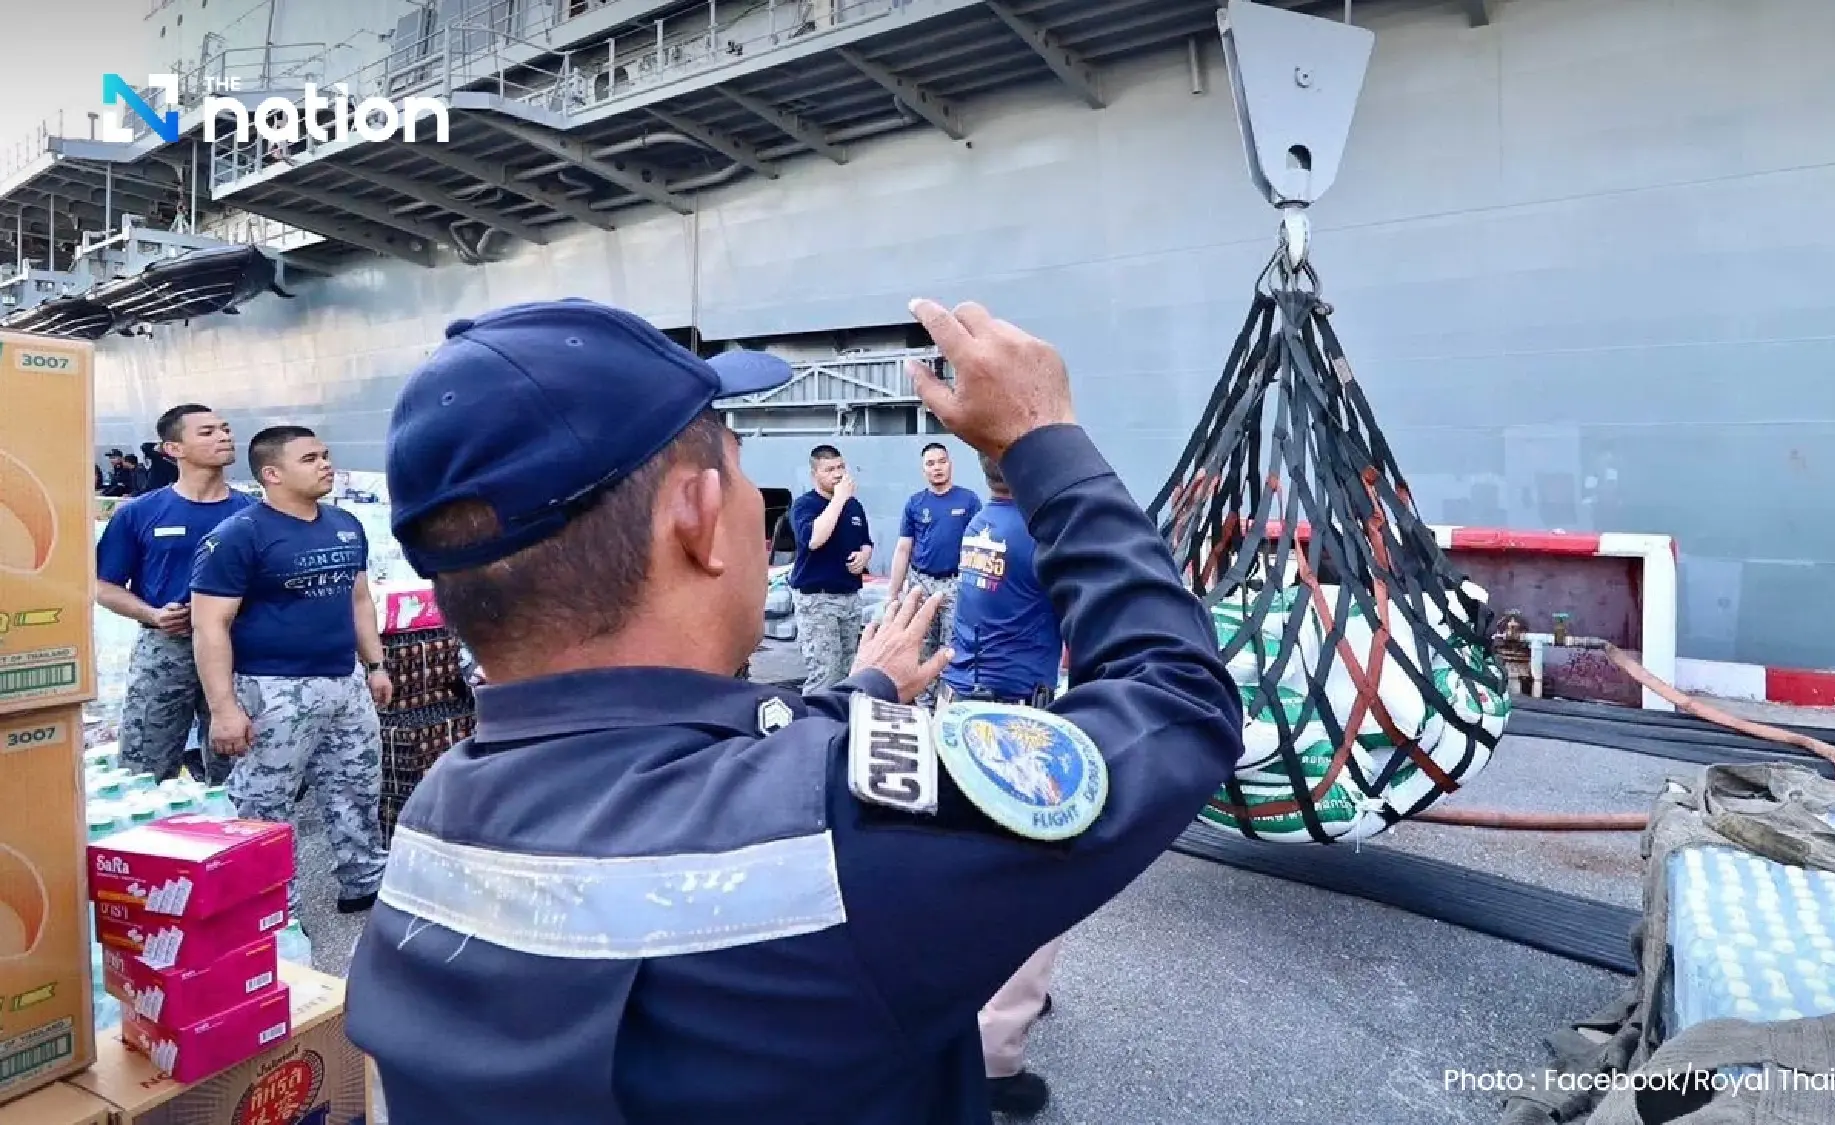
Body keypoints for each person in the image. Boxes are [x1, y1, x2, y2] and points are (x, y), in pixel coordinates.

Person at [342, 296, 1243, 1125]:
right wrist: (1045, 439)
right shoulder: (839, 834)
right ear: (696, 518)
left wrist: (864, 697)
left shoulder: (438, 816)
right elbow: (1176, 695)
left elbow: (691, 795)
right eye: (739, 471)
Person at [189, 425, 393, 919]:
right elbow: (209, 625)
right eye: (310, 459)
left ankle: (364, 880)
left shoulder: (345, 524)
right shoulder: (240, 535)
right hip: (274, 689)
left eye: (325, 454)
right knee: (266, 801)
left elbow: (359, 598)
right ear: (272, 474)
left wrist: (375, 665)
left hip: (344, 683)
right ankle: (274, 908)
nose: (325, 464)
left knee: (357, 785)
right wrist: (223, 709)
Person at [940, 450, 1068, 1116]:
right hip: (1013, 719)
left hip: (964, 703)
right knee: (1041, 877)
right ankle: (995, 1053)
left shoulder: (983, 524)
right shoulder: (1042, 535)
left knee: (968, 862)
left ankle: (972, 993)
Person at [95, 405, 256, 783]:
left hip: (238, 647)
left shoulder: (253, 513)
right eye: (207, 432)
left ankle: (232, 837)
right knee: (144, 766)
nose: (224, 436)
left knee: (236, 766)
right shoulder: (140, 513)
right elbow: (103, 586)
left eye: (226, 429)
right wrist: (152, 615)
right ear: (173, 449)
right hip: (167, 646)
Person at [886, 441, 981, 699]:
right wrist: (893, 594)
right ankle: (925, 705)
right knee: (922, 647)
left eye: (941, 461)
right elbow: (904, 549)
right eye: (930, 463)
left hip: (955, 583)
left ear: (950, 464)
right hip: (921, 583)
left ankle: (947, 704)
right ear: (923, 470)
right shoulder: (915, 504)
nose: (937, 468)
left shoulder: (969, 500)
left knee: (951, 648)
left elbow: (978, 547)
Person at [788, 444, 872, 692]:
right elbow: (814, 539)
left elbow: (865, 540)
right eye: (829, 469)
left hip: (849, 597)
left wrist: (865, 554)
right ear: (815, 474)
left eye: (841, 467)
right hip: (817, 601)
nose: (838, 474)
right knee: (825, 673)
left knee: (848, 672)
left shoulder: (854, 506)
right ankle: (814, 727)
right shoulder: (805, 505)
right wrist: (838, 499)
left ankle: (840, 725)